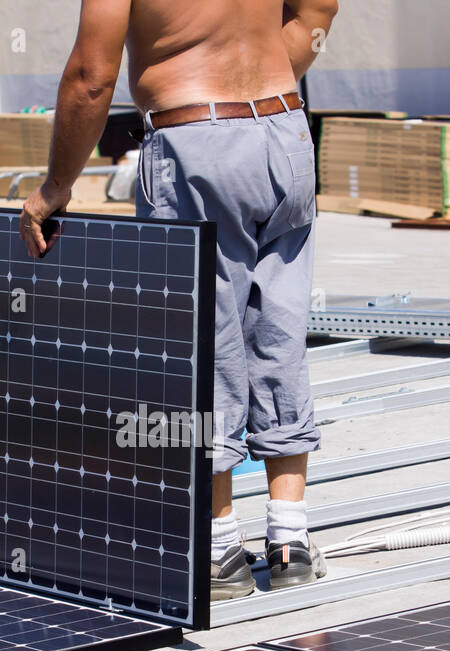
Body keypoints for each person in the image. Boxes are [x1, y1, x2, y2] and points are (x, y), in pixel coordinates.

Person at [20, 0, 339, 600]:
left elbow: (92, 75)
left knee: (200, 343)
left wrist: (55, 185)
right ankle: (290, 539)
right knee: (280, 327)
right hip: (284, 129)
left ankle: (219, 549)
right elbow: (319, 8)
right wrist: (257, 81)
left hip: (194, 139)